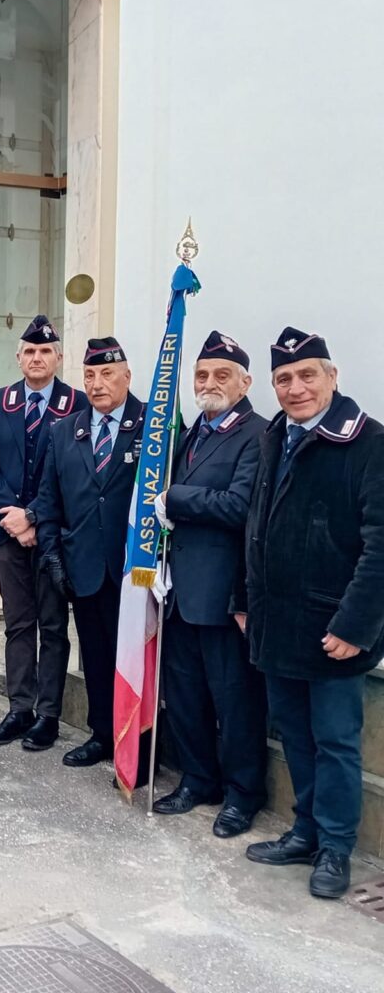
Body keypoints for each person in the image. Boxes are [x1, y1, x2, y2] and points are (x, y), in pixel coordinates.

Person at [239, 328, 384, 899]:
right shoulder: (276, 436)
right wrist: (243, 602)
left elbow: (381, 547)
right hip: (278, 625)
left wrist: (355, 626)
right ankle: (304, 830)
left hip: (333, 633)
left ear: (332, 376)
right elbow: (255, 528)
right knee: (296, 738)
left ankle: (335, 848)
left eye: (306, 375)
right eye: (284, 379)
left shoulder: (369, 443)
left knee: (336, 743)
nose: (295, 388)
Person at [151, 333, 268, 837]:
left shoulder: (258, 434)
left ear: (245, 382)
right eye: (202, 374)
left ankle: (243, 795)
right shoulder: (189, 432)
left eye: (222, 374)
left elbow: (240, 506)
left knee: (235, 701)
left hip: (224, 596)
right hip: (177, 591)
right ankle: (198, 780)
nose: (209, 383)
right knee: (184, 695)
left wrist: (176, 499)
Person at [35, 337, 150, 774]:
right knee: (98, 659)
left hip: (135, 572)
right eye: (89, 375)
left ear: (127, 376)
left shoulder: (152, 428)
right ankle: (103, 735)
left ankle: (140, 747)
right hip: (84, 569)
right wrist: (53, 557)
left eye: (106, 374)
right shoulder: (66, 430)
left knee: (137, 664)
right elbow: (49, 502)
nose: (97, 384)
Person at [0, 315, 84, 750]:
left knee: (54, 627)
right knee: (18, 624)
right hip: (6, 533)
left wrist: (35, 517)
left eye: (45, 351)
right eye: (29, 351)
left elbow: (69, 473)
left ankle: (48, 716)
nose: (37, 358)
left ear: (58, 357)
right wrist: (15, 518)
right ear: (18, 358)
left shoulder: (76, 403)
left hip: (52, 535)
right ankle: (19, 709)